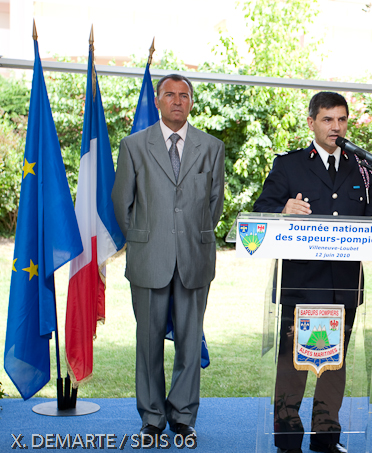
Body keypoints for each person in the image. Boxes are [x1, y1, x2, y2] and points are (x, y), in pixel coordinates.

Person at [253, 92, 372, 453]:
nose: (336, 127)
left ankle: (326, 435)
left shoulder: (363, 169)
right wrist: (283, 210)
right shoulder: (289, 165)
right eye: (328, 119)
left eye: (341, 119)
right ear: (311, 122)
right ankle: (288, 436)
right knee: (293, 363)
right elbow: (261, 210)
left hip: (345, 286)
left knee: (334, 363)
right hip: (300, 283)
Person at [112, 74, 225, 440]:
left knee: (190, 342)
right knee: (148, 342)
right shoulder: (134, 146)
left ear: (191, 102)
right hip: (149, 257)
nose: (177, 101)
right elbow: (122, 203)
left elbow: (214, 203)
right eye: (170, 95)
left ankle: (183, 416)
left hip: (195, 256)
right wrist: (145, 238)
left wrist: (190, 235)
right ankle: (151, 416)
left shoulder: (211, 147)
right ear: (158, 101)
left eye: (184, 95)